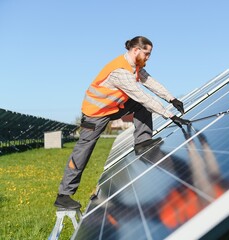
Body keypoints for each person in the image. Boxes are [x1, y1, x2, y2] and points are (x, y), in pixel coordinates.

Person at [54, 36, 190, 209]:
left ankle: (142, 141)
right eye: (146, 53)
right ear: (135, 50)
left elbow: (150, 82)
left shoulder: (136, 67)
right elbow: (142, 96)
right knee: (84, 149)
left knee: (143, 106)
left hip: (114, 107)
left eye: (150, 54)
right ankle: (64, 194)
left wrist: (172, 99)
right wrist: (169, 115)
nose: (148, 57)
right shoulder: (120, 71)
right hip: (95, 113)